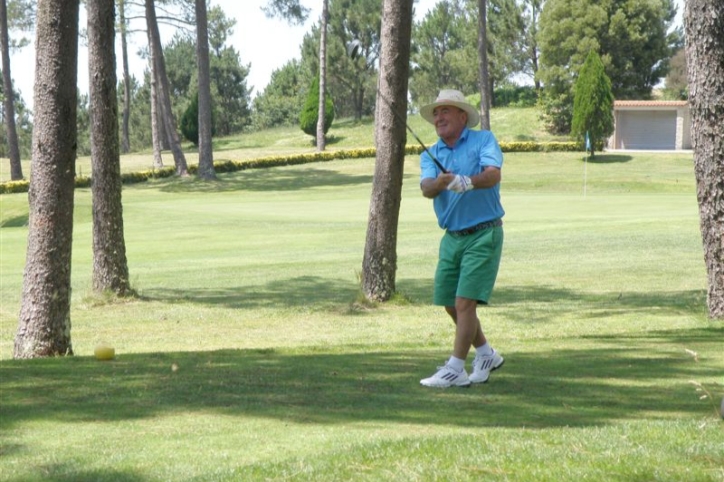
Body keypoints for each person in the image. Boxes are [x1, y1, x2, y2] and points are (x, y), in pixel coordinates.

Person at [418, 89, 505, 388]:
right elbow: (426, 188)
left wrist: (468, 181)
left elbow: (493, 174)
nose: (438, 117)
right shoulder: (431, 153)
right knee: (450, 304)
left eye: (445, 111)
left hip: (484, 232)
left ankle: (456, 367)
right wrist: (441, 183)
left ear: (462, 116)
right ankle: (485, 353)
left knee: (465, 302)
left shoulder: (483, 140)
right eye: (436, 113)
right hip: (452, 237)